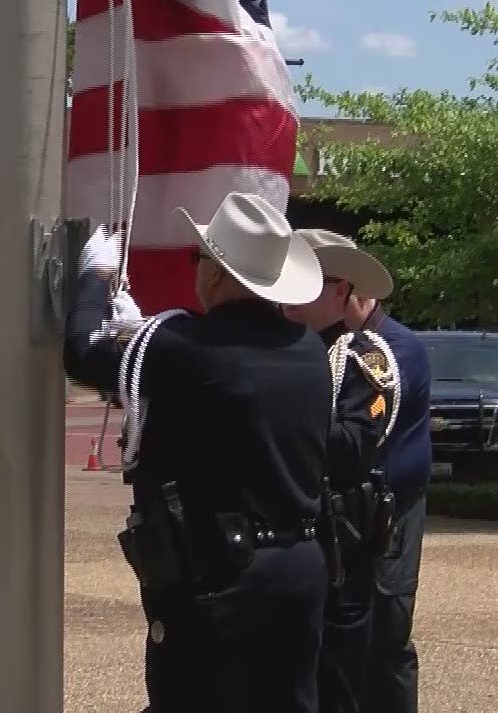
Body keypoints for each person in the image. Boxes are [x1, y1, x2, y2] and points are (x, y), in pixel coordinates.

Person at [63, 191, 334, 713]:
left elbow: (79, 353)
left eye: (199, 259)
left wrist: (95, 282)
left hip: (220, 568)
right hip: (298, 564)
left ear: (218, 274)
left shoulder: (184, 343)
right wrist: (141, 337)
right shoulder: (308, 349)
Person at [300, 233, 432, 713]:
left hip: (388, 512)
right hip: (343, 513)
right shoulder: (323, 346)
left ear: (345, 291)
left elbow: (357, 436)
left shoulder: (391, 350)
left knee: (388, 633)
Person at [285, 230, 399, 713]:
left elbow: (353, 448)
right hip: (276, 542)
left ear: (338, 292)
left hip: (338, 546)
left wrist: (280, 411)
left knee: (335, 683)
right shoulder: (271, 348)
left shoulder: (361, 357)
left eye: (307, 280)